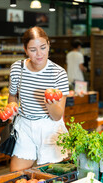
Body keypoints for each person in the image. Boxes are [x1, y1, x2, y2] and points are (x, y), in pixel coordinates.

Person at [8, 26, 69, 172]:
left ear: (48, 44)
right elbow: (12, 97)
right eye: (33, 50)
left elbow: (57, 116)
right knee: (16, 174)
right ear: (25, 49)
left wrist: (50, 103)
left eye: (43, 47)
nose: (39, 54)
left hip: (50, 128)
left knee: (51, 175)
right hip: (25, 126)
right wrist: (11, 111)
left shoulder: (59, 73)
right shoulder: (17, 68)